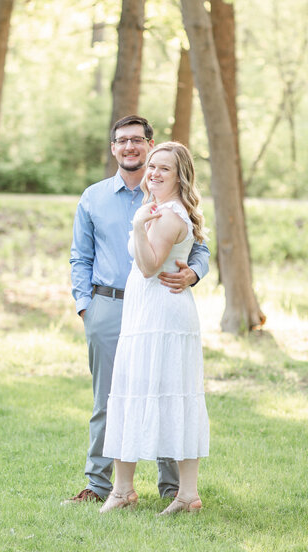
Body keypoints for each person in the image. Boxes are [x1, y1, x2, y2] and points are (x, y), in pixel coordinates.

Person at [66, 116, 210, 504]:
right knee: (110, 399)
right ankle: (99, 485)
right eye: (121, 141)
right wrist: (86, 307)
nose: (129, 147)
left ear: (149, 145)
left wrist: (193, 274)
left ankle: (170, 487)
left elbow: (199, 248)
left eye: (137, 141)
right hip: (108, 306)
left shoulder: (161, 196)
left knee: (162, 391)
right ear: (113, 148)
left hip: (158, 306)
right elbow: (79, 257)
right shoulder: (93, 197)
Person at [100, 141, 209, 515]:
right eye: (152, 166)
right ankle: (145, 491)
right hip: (150, 312)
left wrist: (134, 227)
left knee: (152, 392)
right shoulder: (162, 209)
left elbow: (148, 267)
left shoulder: (168, 215)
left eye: (165, 168)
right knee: (158, 392)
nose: (154, 173)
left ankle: (156, 492)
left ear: (180, 175)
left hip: (160, 315)